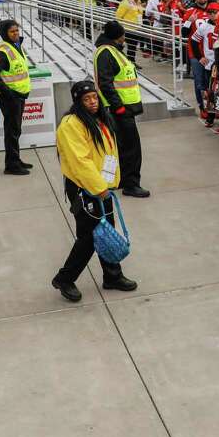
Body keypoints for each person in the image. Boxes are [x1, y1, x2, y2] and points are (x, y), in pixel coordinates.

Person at [51, 80, 137, 301]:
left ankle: (112, 276)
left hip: (101, 187)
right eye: (86, 99)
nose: (92, 102)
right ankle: (65, 278)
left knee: (106, 230)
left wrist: (108, 184)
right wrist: (98, 188)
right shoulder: (71, 124)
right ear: (78, 102)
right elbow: (80, 161)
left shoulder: (100, 120)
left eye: (94, 98)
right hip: (84, 189)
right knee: (89, 237)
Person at [94, 21, 150, 198]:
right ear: (117, 36)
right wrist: (119, 108)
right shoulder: (106, 52)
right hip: (119, 110)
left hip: (123, 109)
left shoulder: (111, 50)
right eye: (123, 34)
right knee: (132, 148)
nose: (125, 37)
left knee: (122, 148)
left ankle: (122, 180)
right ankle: (131, 184)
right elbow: (105, 84)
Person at [0, 18, 33, 175]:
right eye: (12, 31)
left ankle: (15, 159)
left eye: (17, 31)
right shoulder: (3, 52)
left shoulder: (16, 46)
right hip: (11, 98)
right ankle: (11, 165)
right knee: (12, 131)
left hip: (19, 96)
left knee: (16, 130)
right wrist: (8, 93)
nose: (16, 34)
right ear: (4, 34)